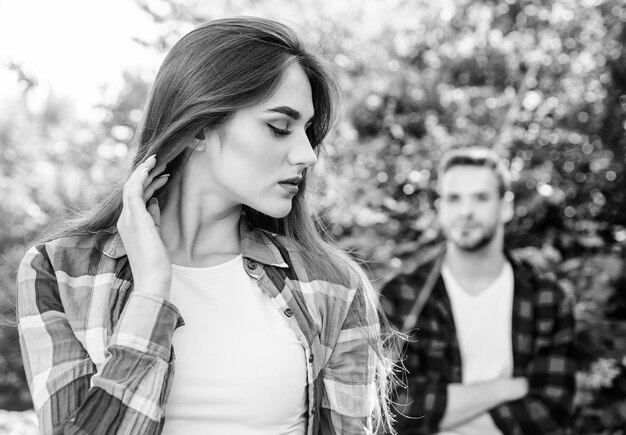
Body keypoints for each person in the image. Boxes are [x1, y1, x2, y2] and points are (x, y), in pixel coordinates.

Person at [17, 17, 398, 435]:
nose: (307, 155)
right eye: (279, 128)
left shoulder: (333, 287)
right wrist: (150, 295)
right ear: (199, 128)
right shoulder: (59, 272)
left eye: (308, 132)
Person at [380, 147, 576, 434]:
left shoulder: (546, 299)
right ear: (440, 209)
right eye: (454, 198)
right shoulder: (403, 295)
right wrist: (505, 389)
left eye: (481, 198)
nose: (466, 211)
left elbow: (551, 409)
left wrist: (444, 412)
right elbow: (391, 407)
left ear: (505, 206)